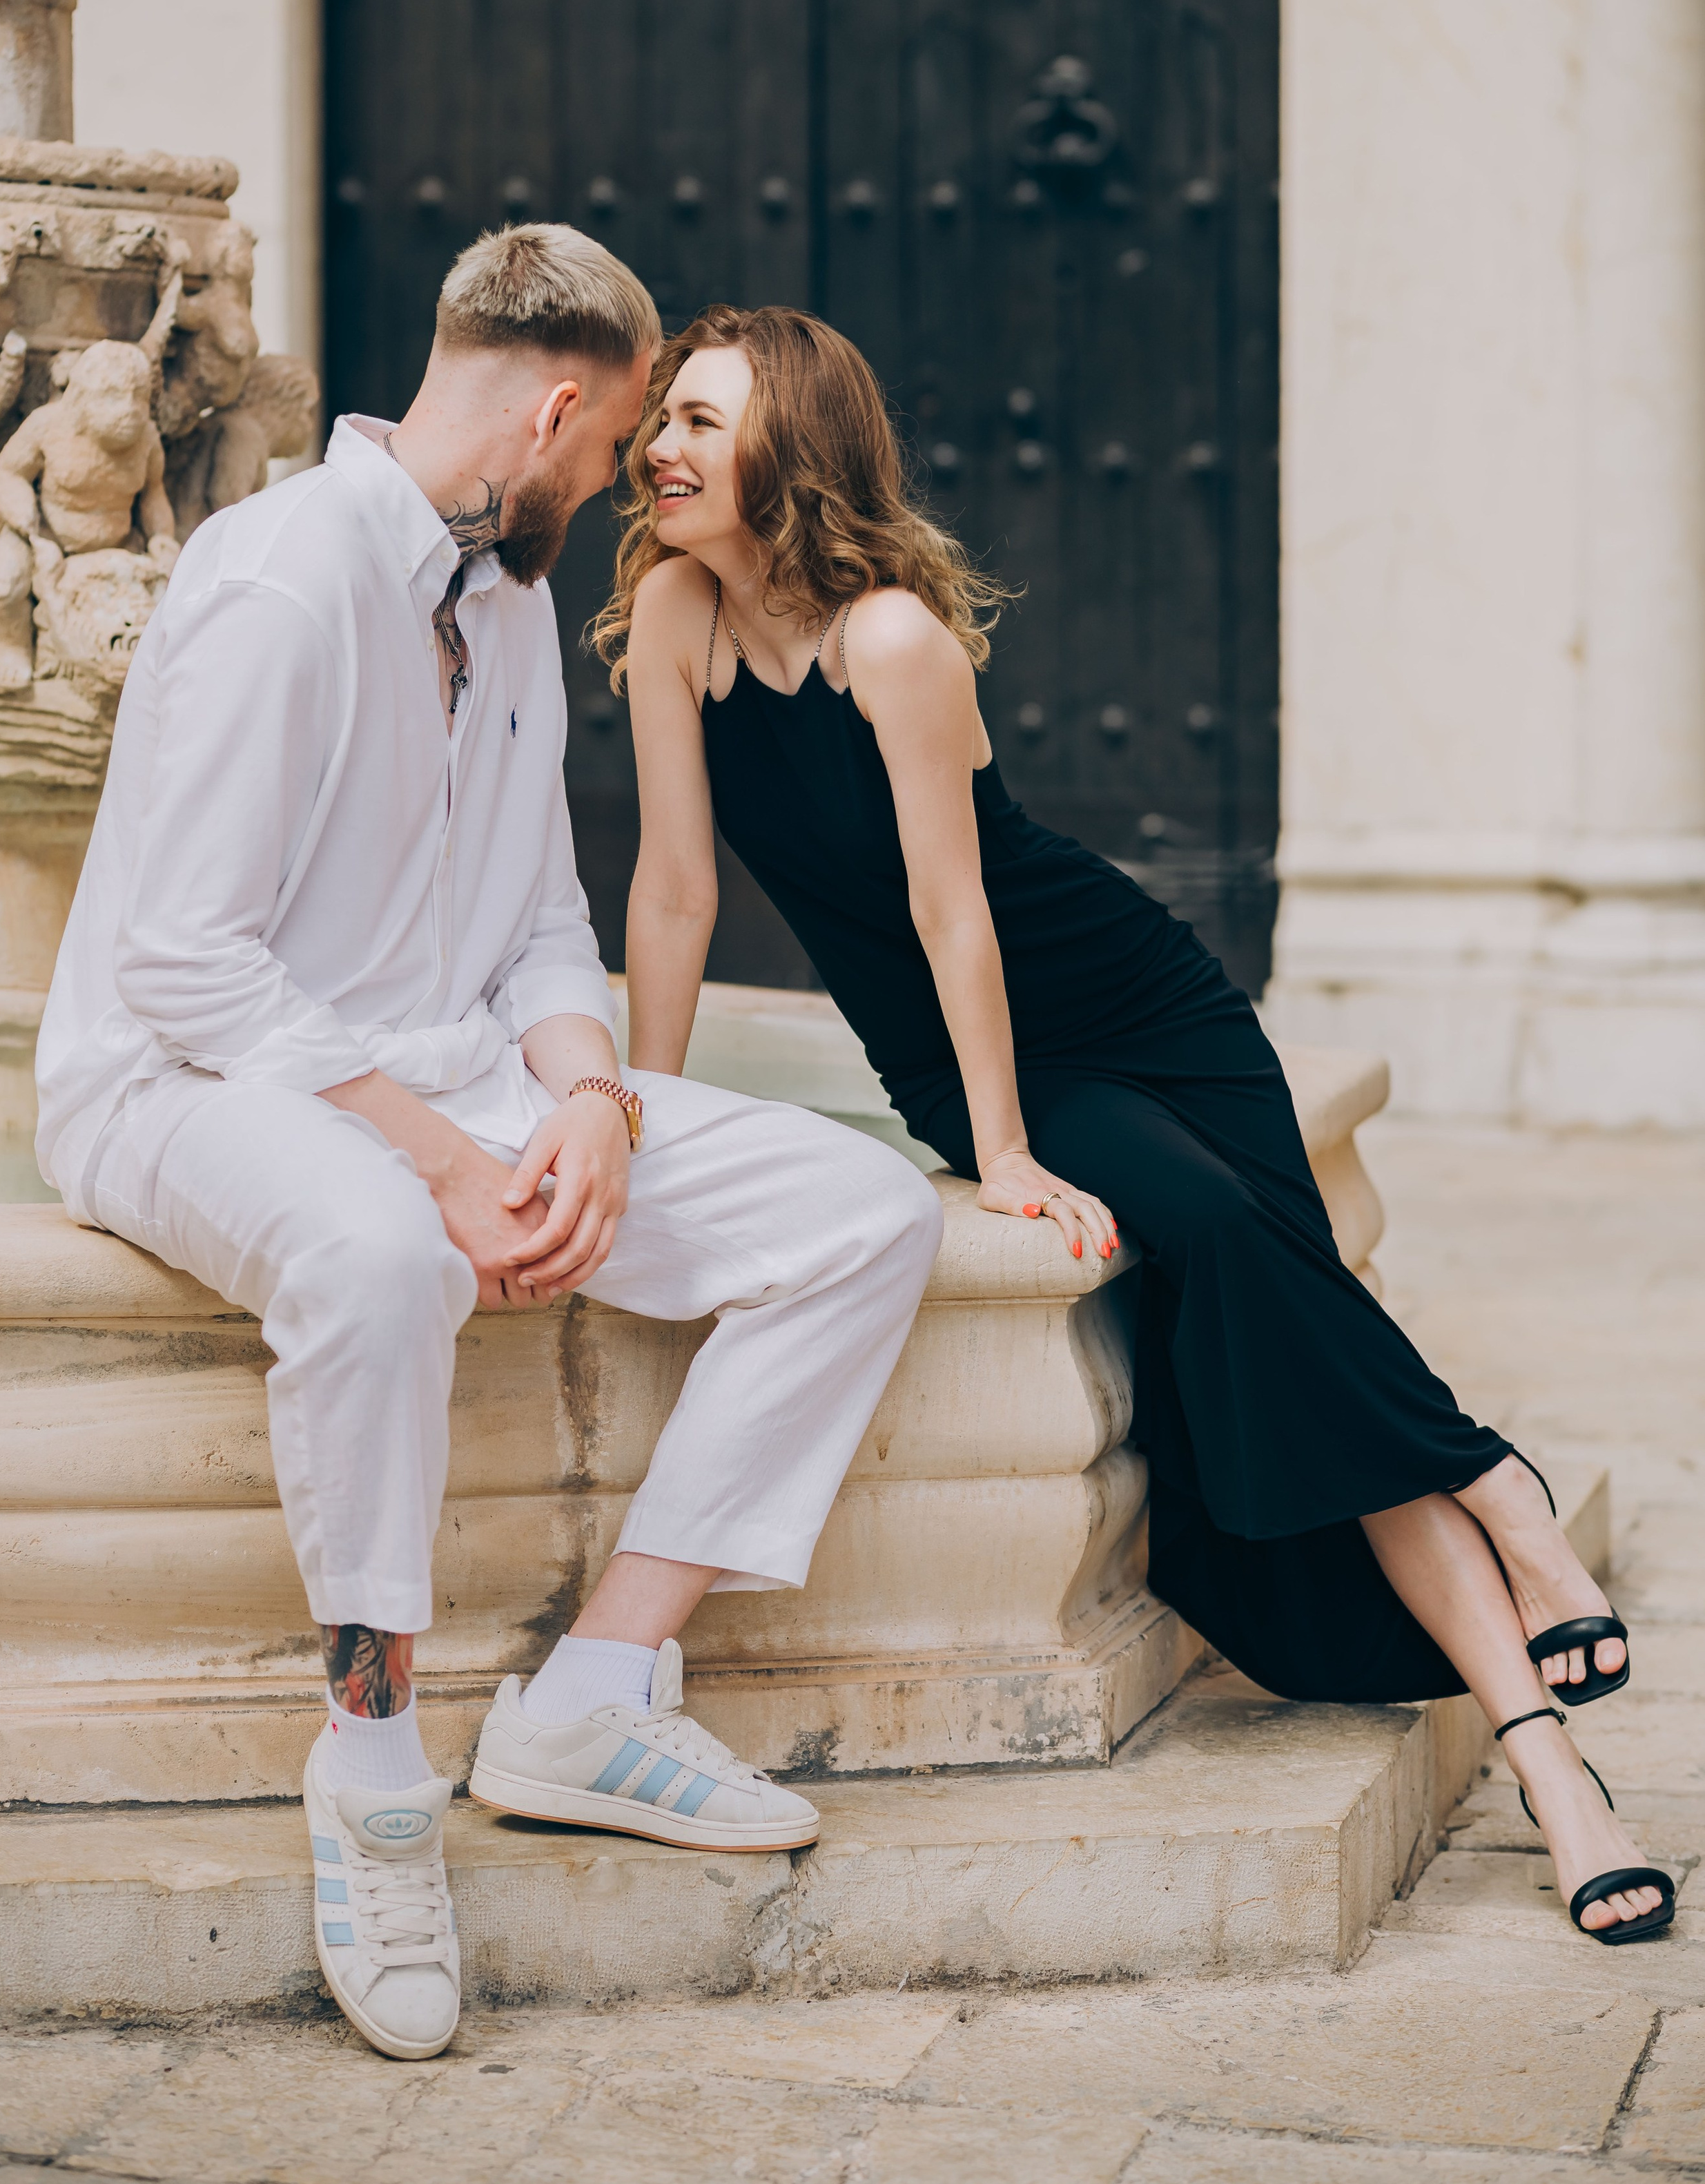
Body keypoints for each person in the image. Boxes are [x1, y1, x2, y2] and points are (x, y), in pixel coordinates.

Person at [599, 302, 1673, 1953]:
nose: (659, 447)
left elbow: (956, 915)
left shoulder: (888, 638)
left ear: (788, 450)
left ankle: (1542, 1737)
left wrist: (1012, 1153)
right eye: (661, 415)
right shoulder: (673, 617)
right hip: (966, 1059)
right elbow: (672, 889)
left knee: (1256, 1275)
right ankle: (1507, 1542)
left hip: (1115, 1005)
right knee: (1275, 1284)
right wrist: (644, 1110)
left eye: (698, 419)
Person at [35, 236, 944, 2063]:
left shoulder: (514, 602)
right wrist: (444, 1164)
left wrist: (594, 1101)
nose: (614, 485)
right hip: (184, 1081)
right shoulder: (277, 582)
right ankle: (373, 1770)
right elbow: (184, 959)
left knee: (857, 1213)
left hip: (464, 1072)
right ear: (550, 410)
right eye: (610, 447)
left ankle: (598, 1690)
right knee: (377, 1255)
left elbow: (541, 917)